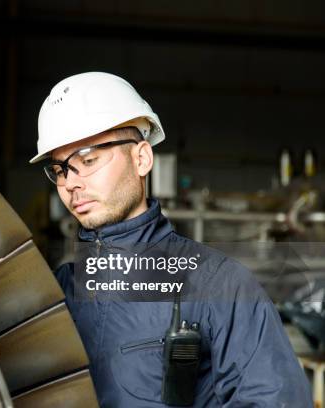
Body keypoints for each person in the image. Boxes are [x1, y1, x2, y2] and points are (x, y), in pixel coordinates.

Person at [30, 72, 312, 407]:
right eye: (61, 169)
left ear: (142, 159)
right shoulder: (57, 294)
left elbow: (276, 400)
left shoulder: (218, 286)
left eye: (88, 160)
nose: (71, 183)